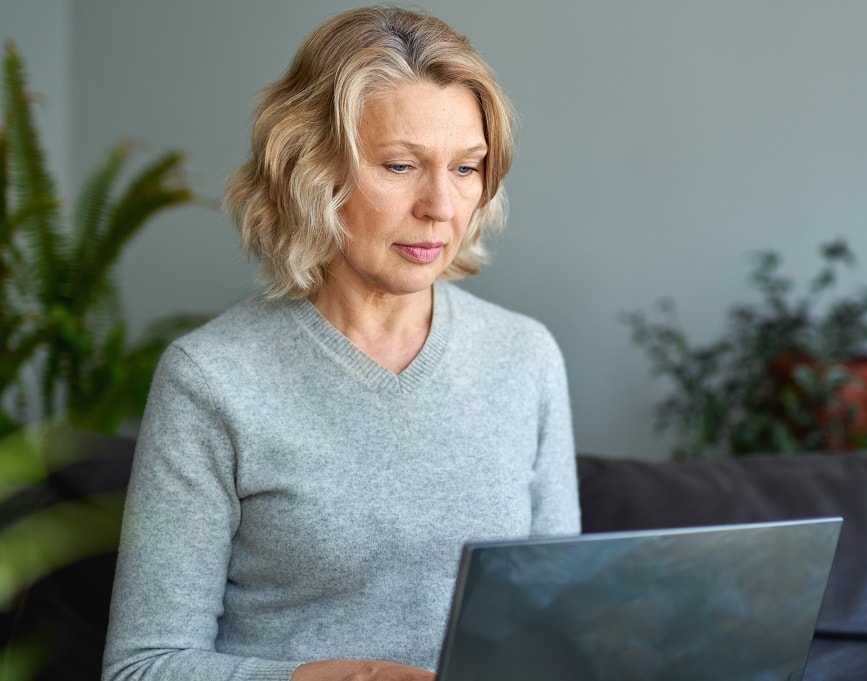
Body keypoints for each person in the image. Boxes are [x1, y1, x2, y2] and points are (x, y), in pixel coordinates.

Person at [102, 6, 580, 681]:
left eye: (467, 168)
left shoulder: (524, 357)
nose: (440, 205)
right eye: (399, 164)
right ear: (311, 170)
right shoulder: (210, 377)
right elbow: (141, 666)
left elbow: (558, 622)